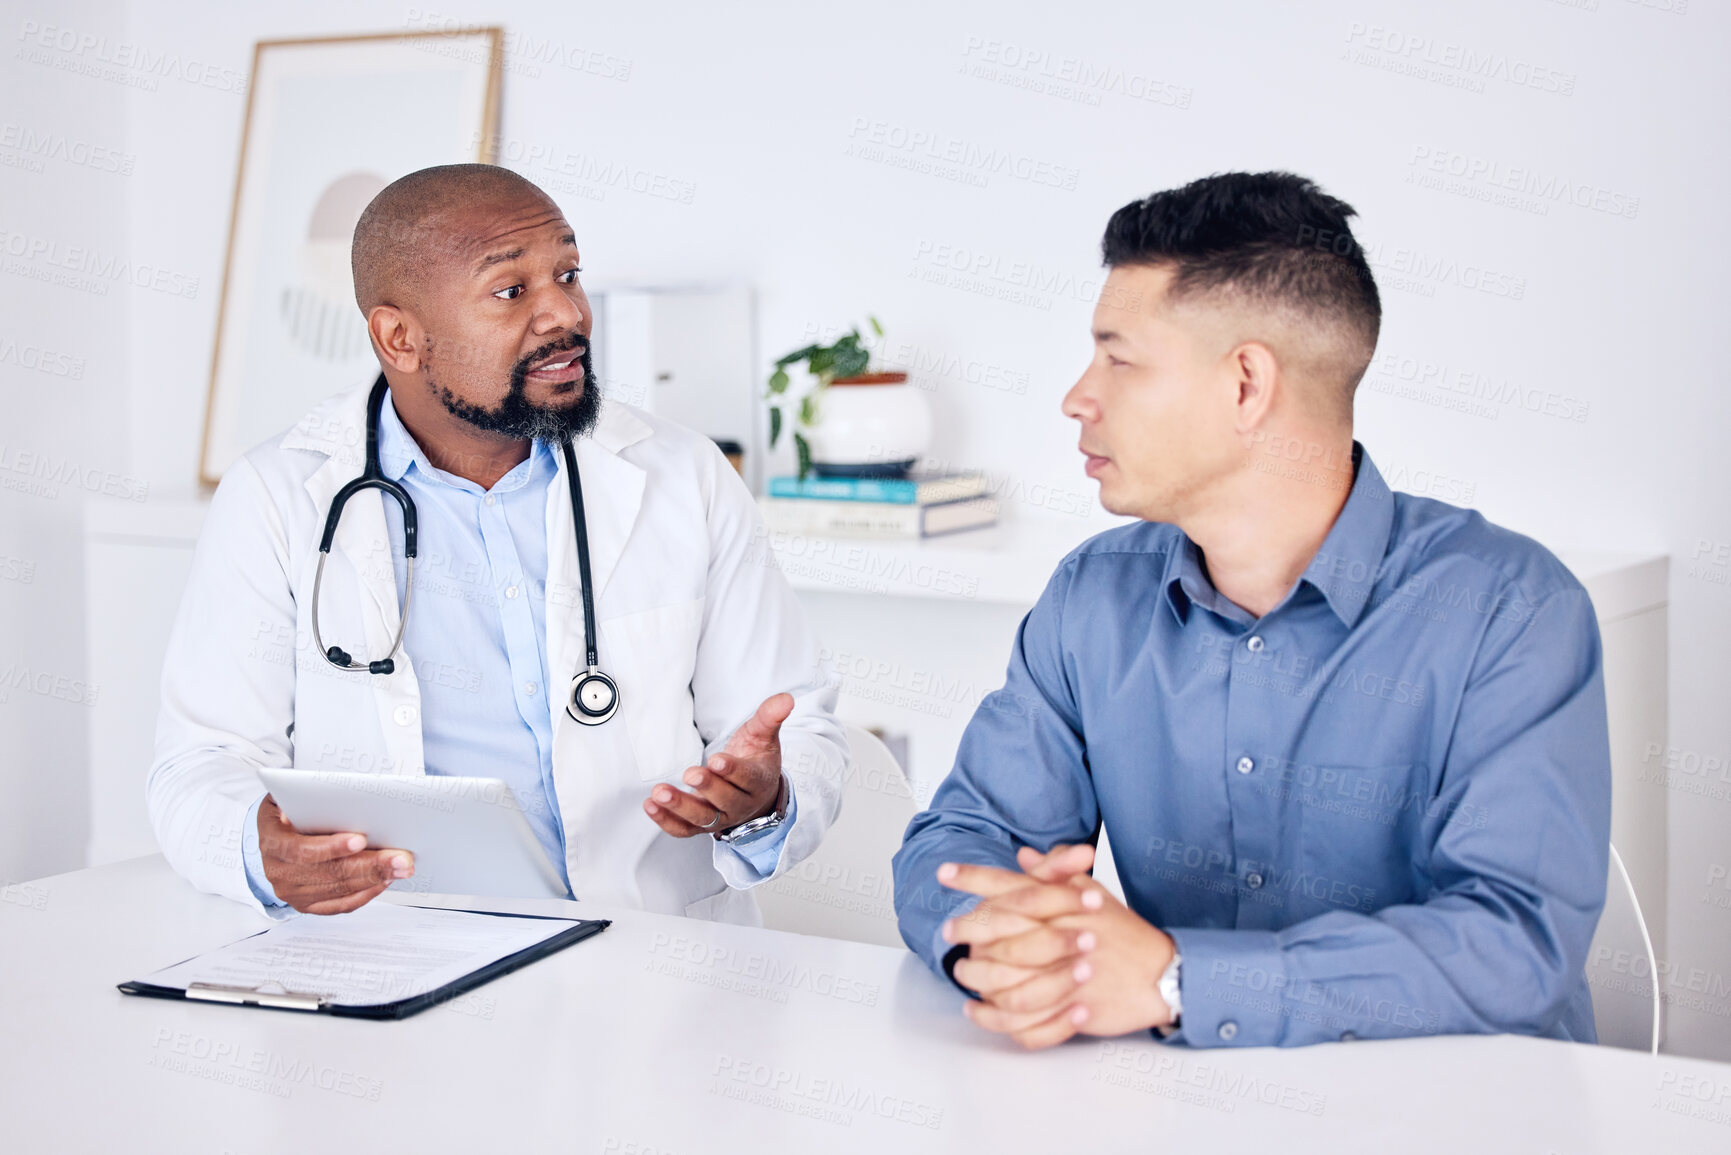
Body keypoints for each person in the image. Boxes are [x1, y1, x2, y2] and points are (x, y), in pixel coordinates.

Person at [892, 171, 1611, 1049]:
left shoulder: (1510, 609)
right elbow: (966, 836)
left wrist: (1174, 979)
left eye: (1117, 358)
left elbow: (1516, 940)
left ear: (1244, 385)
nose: (1078, 396)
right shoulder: (1093, 596)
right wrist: (1008, 950)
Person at [150, 164, 845, 921]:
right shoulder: (277, 497)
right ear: (400, 337)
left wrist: (762, 800)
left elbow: (795, 724)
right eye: (511, 291)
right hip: (398, 955)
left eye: (568, 274)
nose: (565, 314)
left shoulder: (683, 476)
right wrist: (263, 851)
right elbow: (201, 765)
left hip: (646, 959)